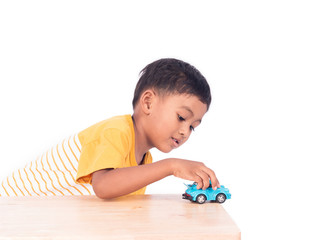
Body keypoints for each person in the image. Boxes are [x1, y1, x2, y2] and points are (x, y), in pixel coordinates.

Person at [0, 58, 220, 199]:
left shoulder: (144, 160)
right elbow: (104, 187)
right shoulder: (115, 131)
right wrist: (170, 166)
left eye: (193, 127)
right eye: (181, 117)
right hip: (13, 207)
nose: (185, 131)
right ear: (148, 103)